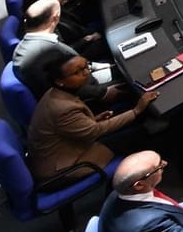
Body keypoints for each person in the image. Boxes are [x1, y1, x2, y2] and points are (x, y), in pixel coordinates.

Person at [26, 55, 158, 182]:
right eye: (77, 72)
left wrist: (94, 119)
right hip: (62, 167)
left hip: (68, 146)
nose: (86, 73)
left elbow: (70, 126)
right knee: (137, 133)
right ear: (60, 81)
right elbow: (94, 132)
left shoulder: (56, 93)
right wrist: (137, 110)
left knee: (123, 115)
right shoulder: (62, 108)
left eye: (86, 67)